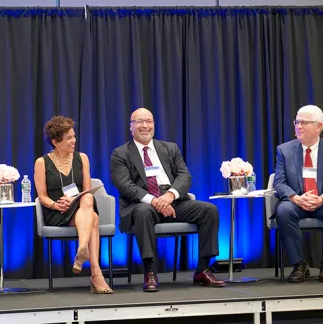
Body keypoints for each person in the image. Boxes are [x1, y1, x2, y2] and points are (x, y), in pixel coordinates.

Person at [110, 108, 225, 292]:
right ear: (131, 127)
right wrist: (154, 201)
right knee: (144, 211)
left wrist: (169, 196)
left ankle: (202, 269)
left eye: (149, 121)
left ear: (154, 124)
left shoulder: (170, 148)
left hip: (172, 200)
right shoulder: (120, 153)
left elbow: (184, 176)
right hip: (142, 204)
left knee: (209, 210)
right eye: (140, 122)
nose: (145, 126)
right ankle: (150, 272)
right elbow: (125, 186)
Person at [34, 115, 113, 294]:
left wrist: (73, 199)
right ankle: (95, 273)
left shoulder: (82, 158)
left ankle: (83, 252)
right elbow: (42, 196)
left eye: (74, 136)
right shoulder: (42, 162)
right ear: (55, 141)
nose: (74, 141)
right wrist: (57, 205)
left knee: (88, 200)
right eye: (69, 137)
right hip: (57, 212)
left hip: (80, 205)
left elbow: (86, 190)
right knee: (93, 220)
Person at [274, 104, 323, 283]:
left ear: (319, 127)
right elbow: (279, 182)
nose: (298, 126)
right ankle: (299, 264)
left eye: (304, 123)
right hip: (296, 202)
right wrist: (296, 198)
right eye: (297, 122)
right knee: (283, 211)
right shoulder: (284, 150)